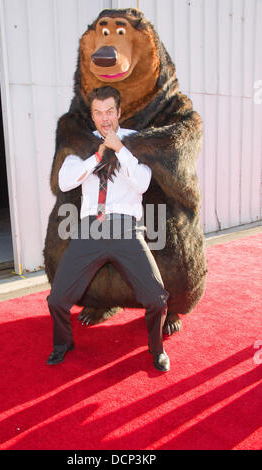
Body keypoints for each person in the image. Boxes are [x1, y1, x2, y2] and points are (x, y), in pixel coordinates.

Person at [46, 86, 170, 372]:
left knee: (156, 298)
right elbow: (65, 182)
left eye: (110, 111)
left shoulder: (136, 143)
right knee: (57, 299)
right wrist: (98, 157)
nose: (105, 118)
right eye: (98, 112)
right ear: (92, 115)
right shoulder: (81, 144)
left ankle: (156, 349)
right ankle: (63, 343)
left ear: (119, 112)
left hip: (126, 228)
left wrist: (120, 150)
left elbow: (142, 183)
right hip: (91, 228)